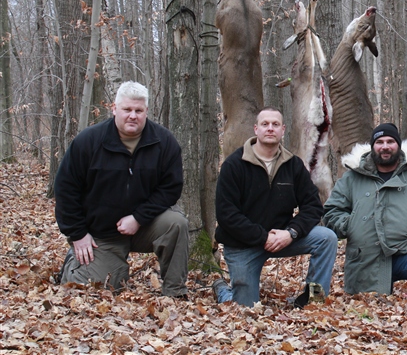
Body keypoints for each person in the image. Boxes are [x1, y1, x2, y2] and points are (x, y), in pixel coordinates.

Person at [54, 81, 188, 296]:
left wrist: (138, 217)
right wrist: (78, 234)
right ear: (114, 109)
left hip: (144, 225)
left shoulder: (164, 142)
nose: (132, 116)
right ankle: (75, 265)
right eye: (127, 110)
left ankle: (175, 292)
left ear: (146, 111)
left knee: (177, 223)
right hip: (101, 234)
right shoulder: (88, 141)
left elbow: (170, 188)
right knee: (95, 290)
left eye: (138, 110)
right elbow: (66, 190)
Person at [213, 107, 338, 308]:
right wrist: (263, 237)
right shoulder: (234, 165)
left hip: (282, 238)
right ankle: (224, 292)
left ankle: (313, 299)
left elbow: (313, 206)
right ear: (256, 129)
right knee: (246, 308)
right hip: (242, 244)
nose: (270, 128)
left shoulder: (293, 165)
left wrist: (291, 233)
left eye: (275, 124)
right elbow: (227, 215)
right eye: (265, 124)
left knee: (326, 238)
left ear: (283, 130)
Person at [323, 123, 407, 304]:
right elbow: (331, 213)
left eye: (390, 141)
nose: (385, 146)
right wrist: (352, 224)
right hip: (366, 258)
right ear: (372, 146)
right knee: (367, 310)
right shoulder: (351, 179)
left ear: (398, 146)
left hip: (406, 252)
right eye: (379, 142)